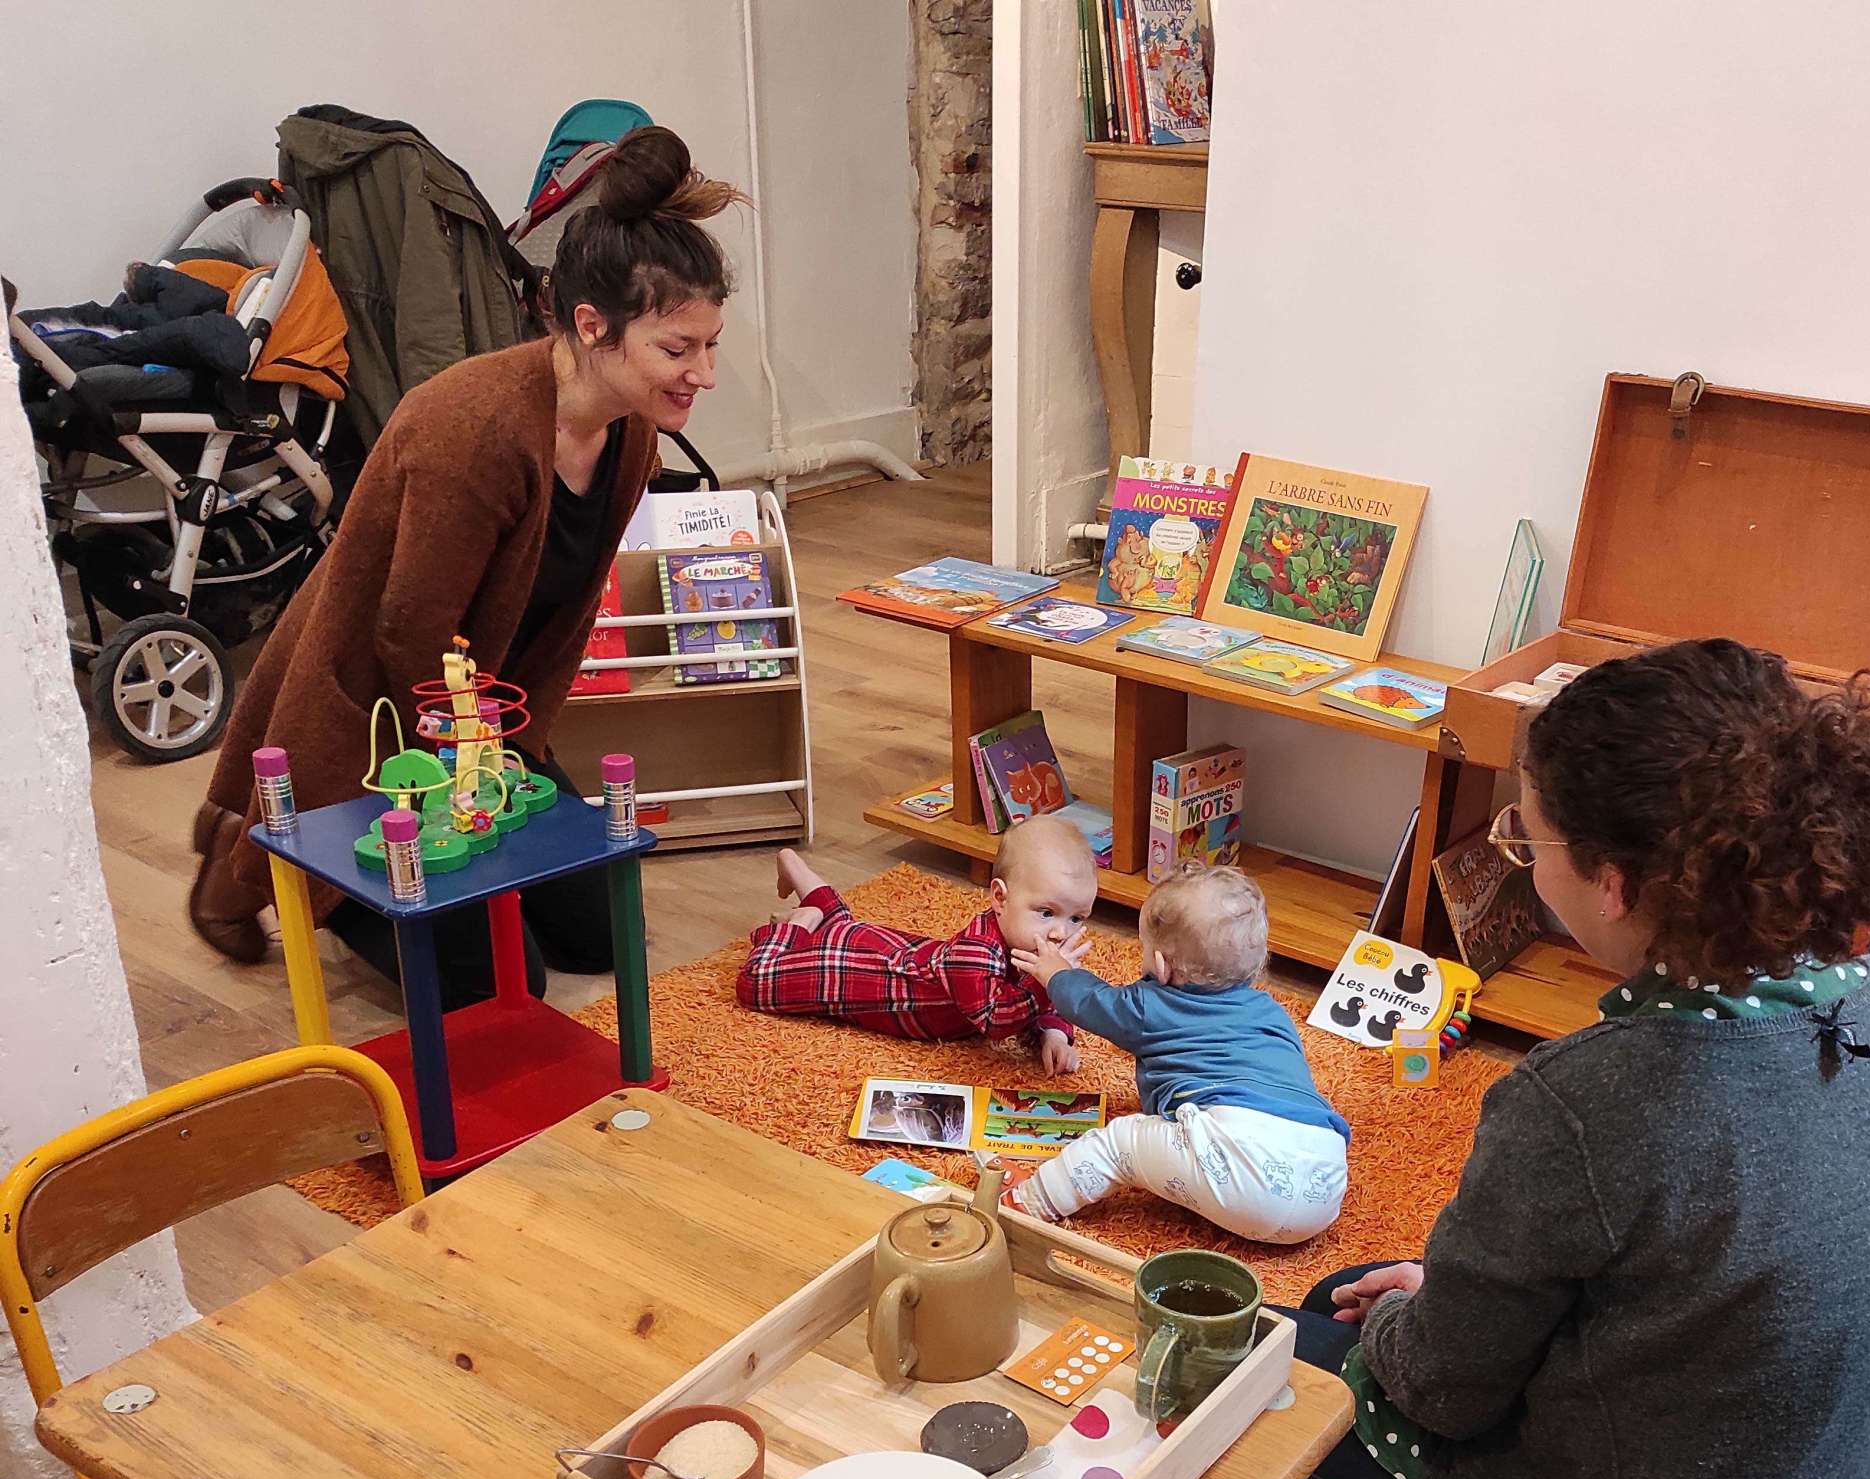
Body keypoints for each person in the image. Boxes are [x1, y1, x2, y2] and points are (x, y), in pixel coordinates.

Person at [1282, 640, 1870, 1479]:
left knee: (1295, 1348)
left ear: (1610, 882)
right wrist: (1451, 1292)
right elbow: (1735, 1275)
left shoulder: (1589, 1099)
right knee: (1502, 1309)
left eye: (1525, 836)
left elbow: (1442, 1384)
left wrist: (1422, 1312)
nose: (1518, 859)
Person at [187, 127, 737, 1009]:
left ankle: (472, 880)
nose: (704, 374)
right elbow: (407, 636)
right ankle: (300, 883)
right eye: (678, 350)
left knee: (606, 934)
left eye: (710, 345)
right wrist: (470, 784)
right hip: (386, 723)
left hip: (485, 716)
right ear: (591, 326)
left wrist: (511, 759)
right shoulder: (471, 431)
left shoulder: (632, 435)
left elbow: (556, 624)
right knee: (499, 985)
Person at [1007, 864, 1349, 1244]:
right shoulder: (1273, 1014)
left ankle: (1030, 1201)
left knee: (1122, 1141)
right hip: (1324, 1181)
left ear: (1162, 966)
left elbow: (1092, 1003)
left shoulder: (1152, 1005)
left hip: (1244, 1165)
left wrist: (1058, 972)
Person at [735, 816, 1096, 1075]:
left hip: (893, 953)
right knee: (755, 985)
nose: (1060, 933)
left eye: (1076, 918)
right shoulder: (974, 954)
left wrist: (1054, 1033)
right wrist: (1050, 983)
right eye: (1046, 912)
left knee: (842, 924)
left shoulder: (1033, 944)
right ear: (999, 898)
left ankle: (798, 872)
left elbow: (1043, 1001)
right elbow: (996, 1020)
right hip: (856, 975)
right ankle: (798, 924)